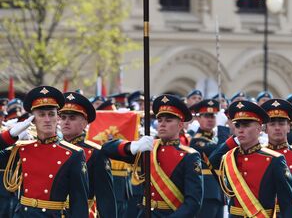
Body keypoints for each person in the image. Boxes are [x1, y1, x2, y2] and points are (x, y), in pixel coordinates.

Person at [102, 94, 203, 217]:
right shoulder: (148, 148)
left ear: (180, 125)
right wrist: (133, 146)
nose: (162, 124)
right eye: (160, 120)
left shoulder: (189, 156)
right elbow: (107, 148)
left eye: (168, 120)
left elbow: (193, 202)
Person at [0, 86, 89, 217]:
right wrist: (10, 135)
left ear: (57, 118)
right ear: (33, 119)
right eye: (41, 115)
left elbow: (79, 202)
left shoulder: (73, 154)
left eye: (51, 114)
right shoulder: (22, 149)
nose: (47, 119)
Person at [209, 100, 292, 217]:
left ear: (259, 128)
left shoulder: (275, 160)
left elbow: (288, 205)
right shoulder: (229, 157)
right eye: (237, 125)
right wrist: (233, 140)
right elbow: (211, 162)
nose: (240, 130)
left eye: (246, 125)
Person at [59, 91, 117, 217]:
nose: (66, 122)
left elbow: (105, 197)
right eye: (63, 117)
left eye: (72, 118)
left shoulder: (96, 153)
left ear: (84, 123)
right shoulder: (54, 148)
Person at [189, 99, 230, 218]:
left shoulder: (214, 139)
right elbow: (221, 151)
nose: (210, 119)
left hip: (218, 192)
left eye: (213, 116)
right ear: (199, 118)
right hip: (206, 192)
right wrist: (222, 127)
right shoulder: (197, 141)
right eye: (206, 116)